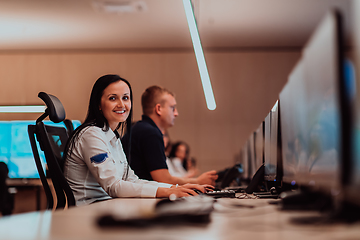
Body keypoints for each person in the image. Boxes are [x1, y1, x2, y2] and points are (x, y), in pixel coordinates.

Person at [63, 75, 207, 206]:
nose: (121, 104)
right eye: (113, 98)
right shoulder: (91, 135)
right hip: (89, 211)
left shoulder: (112, 137)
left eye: (125, 98)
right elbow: (113, 186)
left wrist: (174, 188)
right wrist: (166, 192)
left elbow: (131, 179)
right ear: (99, 104)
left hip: (106, 205)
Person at [122, 85, 218, 186]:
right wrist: (198, 181)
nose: (176, 113)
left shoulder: (141, 128)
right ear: (159, 109)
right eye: (172, 108)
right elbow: (163, 179)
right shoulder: (150, 133)